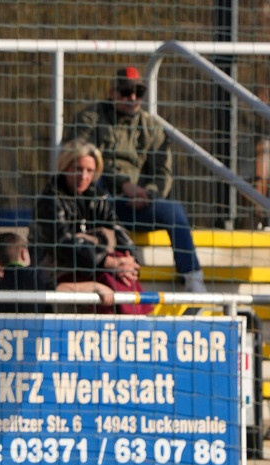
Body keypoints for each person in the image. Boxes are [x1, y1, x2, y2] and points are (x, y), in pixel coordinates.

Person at [62, 66, 206, 293]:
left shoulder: (151, 126)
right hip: (99, 204)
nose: (132, 98)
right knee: (94, 189)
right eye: (126, 92)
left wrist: (148, 194)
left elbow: (163, 172)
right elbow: (81, 162)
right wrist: (123, 184)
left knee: (173, 211)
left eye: (138, 93)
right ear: (112, 93)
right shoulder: (90, 119)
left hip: (134, 203)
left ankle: (193, 278)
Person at [36, 139, 152, 315]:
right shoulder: (50, 198)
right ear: (65, 167)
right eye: (78, 169)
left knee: (123, 276)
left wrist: (130, 262)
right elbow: (62, 243)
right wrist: (107, 262)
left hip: (96, 266)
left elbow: (118, 230)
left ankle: (132, 324)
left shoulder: (99, 196)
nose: (84, 176)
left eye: (89, 170)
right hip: (60, 268)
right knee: (110, 280)